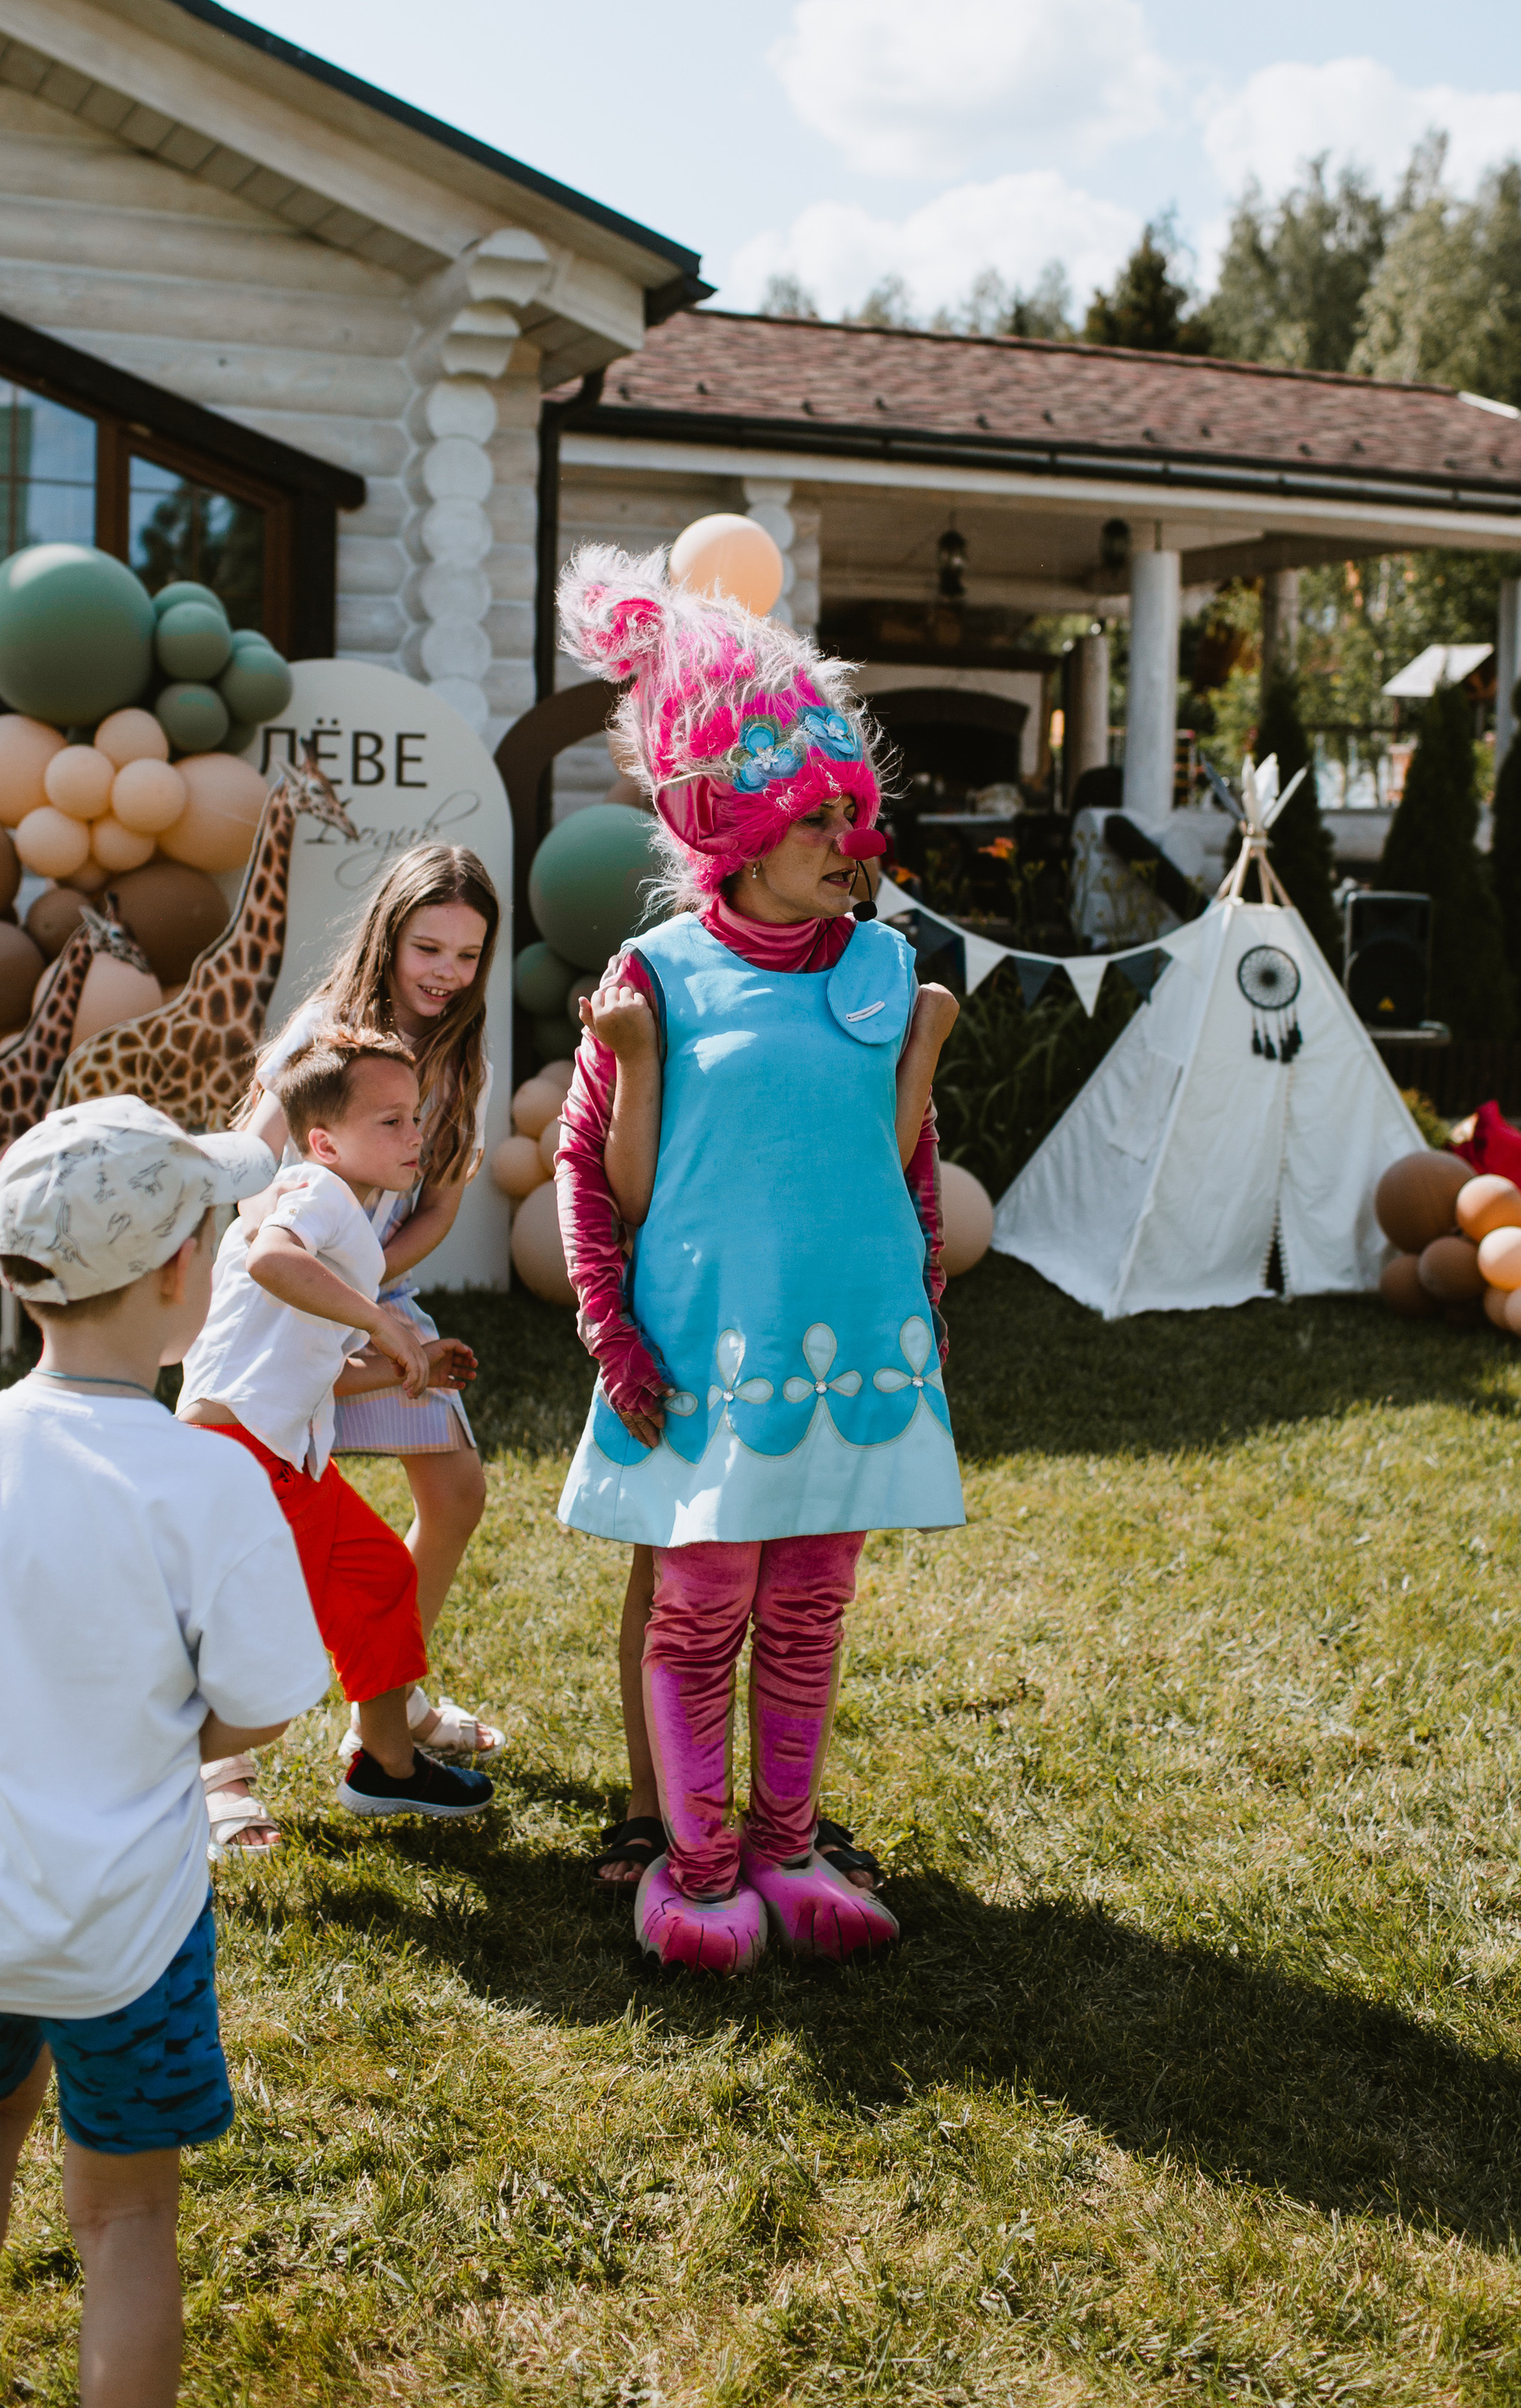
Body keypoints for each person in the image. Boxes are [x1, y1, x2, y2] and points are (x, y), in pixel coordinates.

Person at [0, 1095, 331, 2408]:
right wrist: (168, 1726)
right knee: (125, 2221)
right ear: (179, 1274)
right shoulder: (208, 1479)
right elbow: (266, 1705)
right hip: (132, 1932)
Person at [551, 543, 964, 1973]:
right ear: (730, 821)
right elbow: (592, 1178)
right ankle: (700, 1864)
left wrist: (922, 1291)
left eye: (856, 817)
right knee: (702, 1605)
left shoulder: (879, 967)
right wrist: (611, 1333)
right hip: (704, 1352)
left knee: (810, 1606)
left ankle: (789, 1853)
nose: (853, 846)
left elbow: (895, 1152)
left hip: (846, 1349)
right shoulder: (657, 977)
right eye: (818, 822)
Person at [179, 1028, 496, 1839]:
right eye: (388, 1122)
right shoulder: (313, 1191)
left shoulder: (345, 1221)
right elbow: (269, 1263)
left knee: (382, 1573)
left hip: (281, 1454)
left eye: (413, 1118)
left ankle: (384, 1767)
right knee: (263, 1660)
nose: (414, 1135)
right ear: (323, 1140)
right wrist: (380, 1325)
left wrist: (405, 1362)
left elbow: (311, 1367)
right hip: (240, 1456)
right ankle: (164, 1773)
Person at [244, 841, 503, 1777]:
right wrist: (335, 1285)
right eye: (428, 948)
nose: (447, 973)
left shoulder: (459, 1050)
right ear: (390, 936)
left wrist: (373, 1284)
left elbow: (439, 1205)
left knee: (457, 1491)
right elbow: (249, 1166)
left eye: (468, 957)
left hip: (379, 1289)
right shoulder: (326, 1031)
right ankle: (220, 1771)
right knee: (256, 1530)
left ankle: (384, 1705)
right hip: (290, 1293)